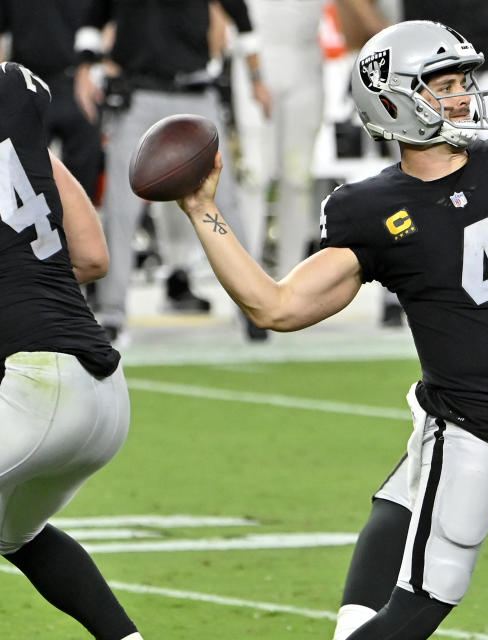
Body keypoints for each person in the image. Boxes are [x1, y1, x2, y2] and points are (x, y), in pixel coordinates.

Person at [176, 19, 488, 640]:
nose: (464, 94)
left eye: (462, 79)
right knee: (418, 610)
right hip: (472, 440)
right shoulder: (369, 209)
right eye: (443, 83)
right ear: (393, 101)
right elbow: (276, 307)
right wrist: (204, 212)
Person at [0, 62, 140, 640]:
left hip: (36, 387)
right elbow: (91, 257)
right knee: (17, 536)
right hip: (104, 391)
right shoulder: (16, 103)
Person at [74, 0, 270, 342]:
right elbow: (92, 21)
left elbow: (243, 19)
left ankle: (254, 307)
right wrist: (85, 70)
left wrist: (255, 78)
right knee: (122, 209)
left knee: (226, 207)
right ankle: (112, 313)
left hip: (196, 95)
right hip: (136, 94)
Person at [227, 0, 323, 279]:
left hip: (305, 58)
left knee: (298, 178)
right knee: (255, 174)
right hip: (257, 55)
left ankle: (292, 276)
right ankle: (247, 277)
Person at [0, 0, 103, 201]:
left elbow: (107, 19)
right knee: (23, 182)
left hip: (78, 86)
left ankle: (77, 232)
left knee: (83, 185)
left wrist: (94, 69)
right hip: (27, 86)